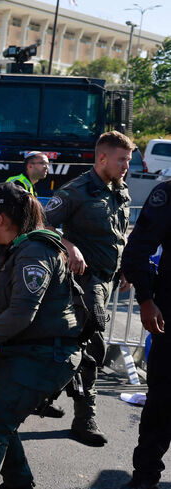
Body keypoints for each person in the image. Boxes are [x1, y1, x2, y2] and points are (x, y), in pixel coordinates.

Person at [0, 182, 82, 489]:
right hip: (20, 349)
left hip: (46, 353)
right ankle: (19, 483)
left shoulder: (35, 251)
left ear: (0, 218)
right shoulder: (6, 252)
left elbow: (21, 313)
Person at [42, 130, 133, 446]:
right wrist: (67, 245)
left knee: (72, 344)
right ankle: (85, 420)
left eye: (128, 160)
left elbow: (117, 235)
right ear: (102, 158)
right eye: (121, 159)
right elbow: (41, 221)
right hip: (83, 282)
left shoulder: (119, 190)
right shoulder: (77, 190)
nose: (126, 166)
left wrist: (125, 270)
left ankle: (41, 393)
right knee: (94, 348)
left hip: (106, 281)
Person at [119, 180, 170, 489]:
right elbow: (137, 249)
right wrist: (146, 299)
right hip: (169, 312)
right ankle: (145, 478)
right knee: (163, 401)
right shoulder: (167, 194)